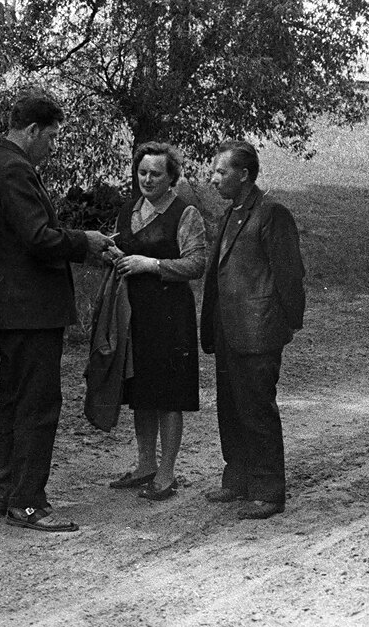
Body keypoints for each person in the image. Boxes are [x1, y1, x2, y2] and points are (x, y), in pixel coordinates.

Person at [0, 88, 114, 532]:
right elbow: (37, 237)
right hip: (30, 309)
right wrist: (85, 241)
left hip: (14, 307)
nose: (52, 147)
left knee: (15, 399)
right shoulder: (15, 169)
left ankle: (3, 491)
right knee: (37, 403)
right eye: (51, 137)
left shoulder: (1, 164)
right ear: (32, 130)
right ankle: (28, 503)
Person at [199, 139, 305, 519]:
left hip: (258, 333)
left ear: (244, 175)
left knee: (257, 410)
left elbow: (290, 276)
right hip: (228, 331)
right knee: (230, 408)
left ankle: (268, 491)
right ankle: (238, 480)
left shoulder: (272, 213)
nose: (213, 179)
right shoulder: (231, 213)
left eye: (221, 171)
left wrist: (283, 325)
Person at [103, 142, 206, 501]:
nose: (147, 179)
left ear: (171, 178)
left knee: (169, 394)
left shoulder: (185, 213)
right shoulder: (129, 209)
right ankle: (145, 464)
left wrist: (151, 265)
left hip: (170, 315)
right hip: (134, 313)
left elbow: (196, 264)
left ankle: (166, 473)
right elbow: (122, 253)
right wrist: (114, 255)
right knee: (142, 392)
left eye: (156, 174)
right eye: (142, 172)